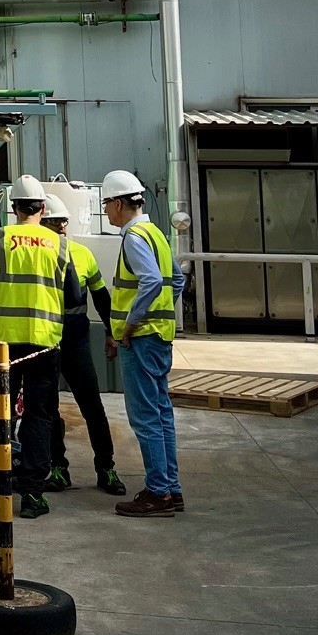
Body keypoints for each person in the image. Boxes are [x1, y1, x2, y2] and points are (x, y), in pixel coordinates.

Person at [0, 173, 68, 520]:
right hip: (45, 344)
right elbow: (75, 297)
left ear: (14, 209)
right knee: (40, 416)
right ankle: (34, 495)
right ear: (41, 207)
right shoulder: (60, 245)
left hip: (6, 346)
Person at [101, 170, 186, 519]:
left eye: (106, 203)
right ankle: (171, 488)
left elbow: (151, 280)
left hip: (141, 338)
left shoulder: (134, 237)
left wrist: (133, 322)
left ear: (119, 203)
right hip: (160, 336)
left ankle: (158, 493)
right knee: (161, 412)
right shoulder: (155, 233)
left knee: (145, 416)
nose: (105, 210)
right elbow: (176, 280)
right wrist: (161, 313)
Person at [38, 194, 126, 496]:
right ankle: (66, 469)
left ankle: (102, 467)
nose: (61, 227)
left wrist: (112, 332)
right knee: (55, 409)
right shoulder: (39, 254)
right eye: (57, 222)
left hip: (66, 341)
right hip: (52, 341)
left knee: (85, 407)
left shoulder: (80, 254)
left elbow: (101, 297)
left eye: (62, 222)